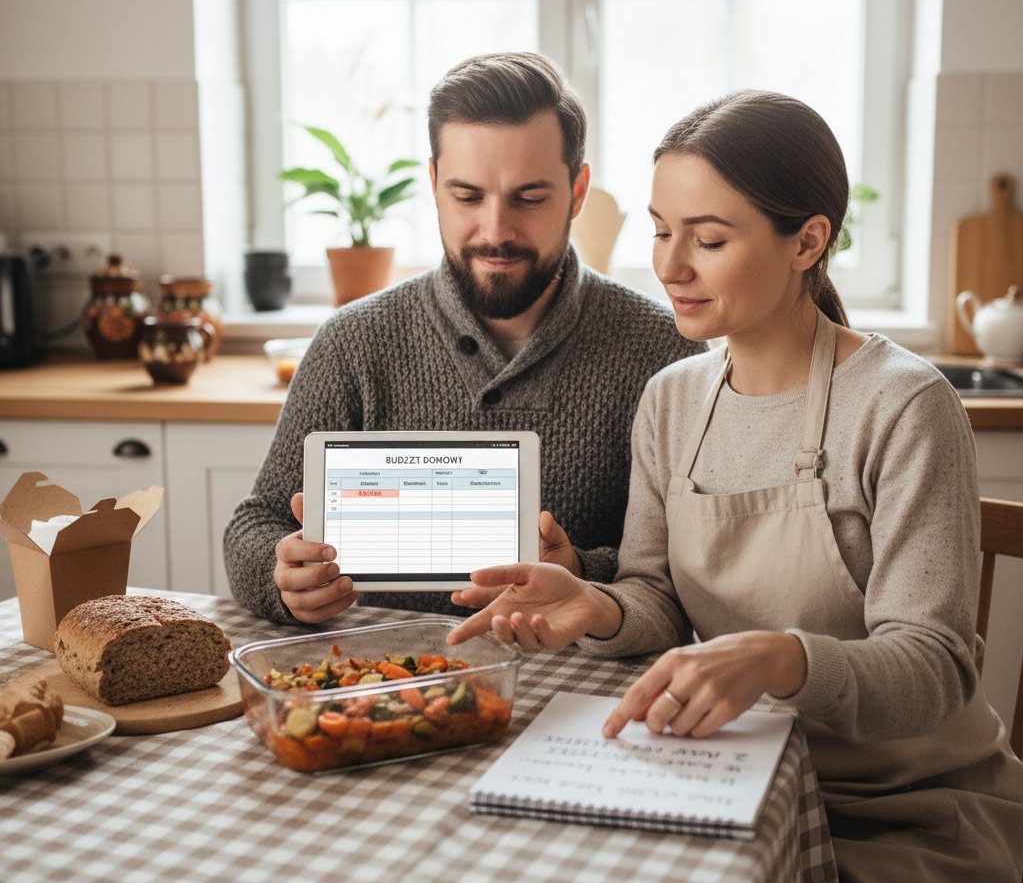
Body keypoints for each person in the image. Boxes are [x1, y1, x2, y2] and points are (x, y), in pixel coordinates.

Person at [448, 90, 1023, 883]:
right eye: (660, 229)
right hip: (733, 785)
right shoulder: (673, 400)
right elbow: (655, 598)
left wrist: (781, 657)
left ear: (809, 241)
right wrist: (596, 606)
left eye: (709, 239)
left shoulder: (903, 405)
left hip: (904, 815)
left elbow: (935, 667)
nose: (670, 266)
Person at [224, 51, 704, 626]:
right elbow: (257, 523)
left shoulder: (664, 353)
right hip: (376, 680)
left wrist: (578, 571)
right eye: (468, 197)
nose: (496, 231)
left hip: (584, 694)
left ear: (578, 191)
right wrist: (283, 579)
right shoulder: (354, 343)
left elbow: (682, 574)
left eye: (529, 198)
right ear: (433, 184)